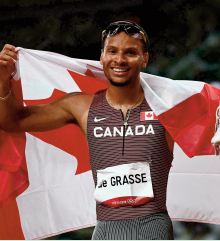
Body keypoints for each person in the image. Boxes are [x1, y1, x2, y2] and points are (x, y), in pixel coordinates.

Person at [0, 21, 175, 240]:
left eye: (130, 52)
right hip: (105, 231)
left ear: (145, 58)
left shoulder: (167, 106)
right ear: (102, 57)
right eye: (112, 51)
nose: (119, 59)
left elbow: (209, 121)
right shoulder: (82, 107)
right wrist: (3, 82)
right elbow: (13, 121)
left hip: (152, 228)